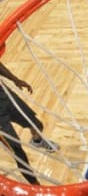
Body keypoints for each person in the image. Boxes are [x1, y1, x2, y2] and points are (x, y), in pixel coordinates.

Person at [0, 56, 59, 185]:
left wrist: (15, 79)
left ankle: (37, 141)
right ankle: (36, 186)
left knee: (36, 124)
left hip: (4, 95)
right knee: (17, 152)